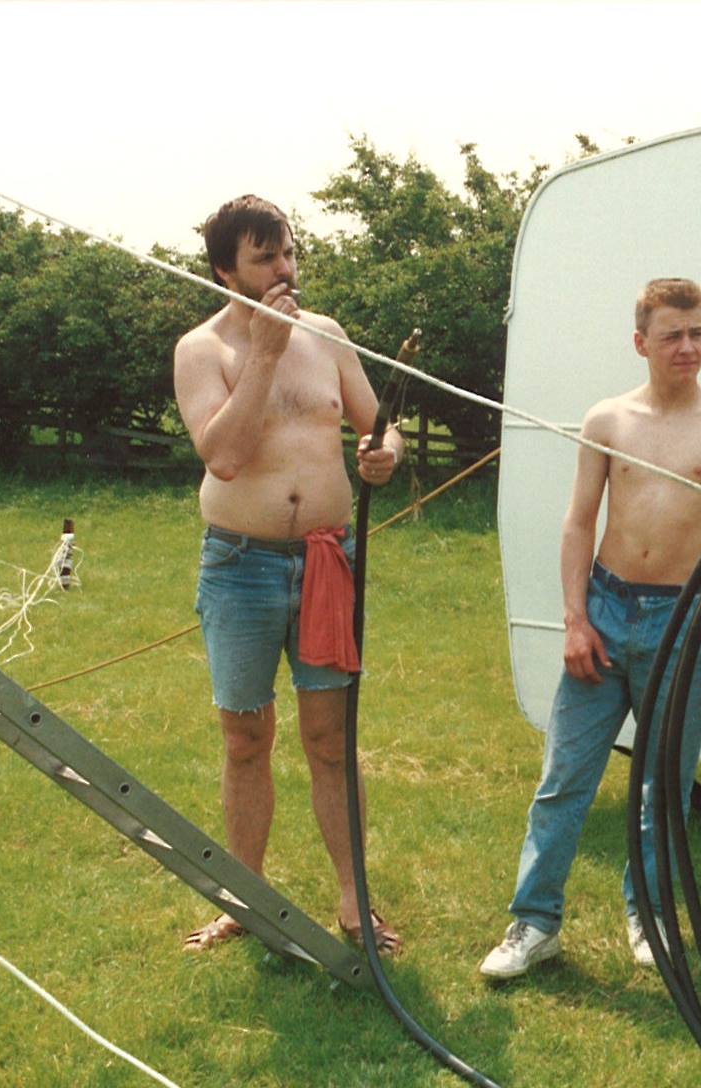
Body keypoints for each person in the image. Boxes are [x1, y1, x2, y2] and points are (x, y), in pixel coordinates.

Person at [478, 278, 701, 979]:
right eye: (672, 335)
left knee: (663, 787)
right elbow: (579, 520)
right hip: (606, 611)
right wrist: (575, 620)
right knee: (564, 777)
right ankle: (534, 923)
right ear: (641, 342)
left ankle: (649, 916)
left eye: (697, 333)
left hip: (684, 619)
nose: (687, 347)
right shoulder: (608, 420)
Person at [173, 195, 404, 956]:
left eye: (288, 253)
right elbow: (224, 456)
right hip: (240, 567)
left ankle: (354, 900)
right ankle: (245, 898)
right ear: (225, 271)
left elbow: (381, 424)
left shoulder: (328, 336)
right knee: (246, 737)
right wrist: (265, 354)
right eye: (265, 257)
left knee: (330, 738)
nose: (285, 270)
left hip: (327, 562)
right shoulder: (201, 351)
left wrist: (385, 453)